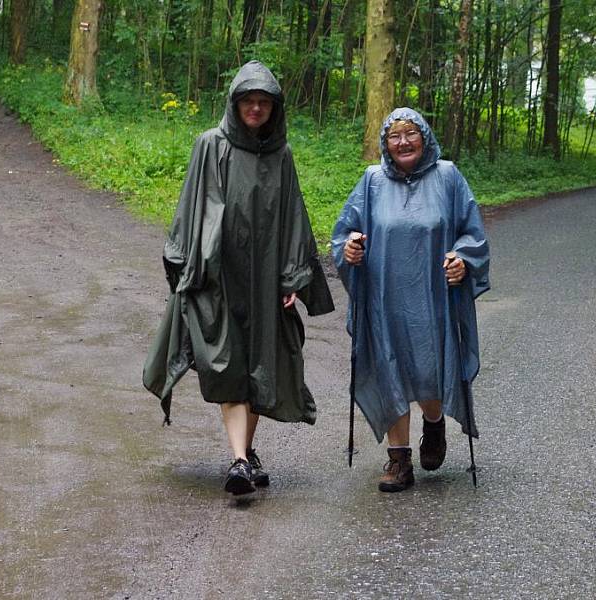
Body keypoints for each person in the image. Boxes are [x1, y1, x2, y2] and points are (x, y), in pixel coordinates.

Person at [143, 61, 334, 496]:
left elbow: (292, 219)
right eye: (248, 100)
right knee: (226, 363)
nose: (255, 108)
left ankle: (244, 455)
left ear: (274, 108)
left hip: (266, 280)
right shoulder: (210, 146)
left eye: (263, 102)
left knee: (259, 366)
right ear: (235, 103)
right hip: (218, 277)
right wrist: (183, 267)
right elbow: (189, 208)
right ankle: (240, 460)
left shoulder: (281, 157)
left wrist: (293, 280)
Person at [332, 107, 489, 492]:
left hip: (433, 297)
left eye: (411, 134)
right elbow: (345, 232)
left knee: (429, 370)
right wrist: (349, 249)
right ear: (385, 144)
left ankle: (433, 424)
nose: (403, 142)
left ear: (425, 137)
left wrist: (463, 261)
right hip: (384, 297)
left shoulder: (448, 177)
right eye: (394, 137)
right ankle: (398, 458)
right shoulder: (371, 181)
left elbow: (473, 234)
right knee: (389, 368)